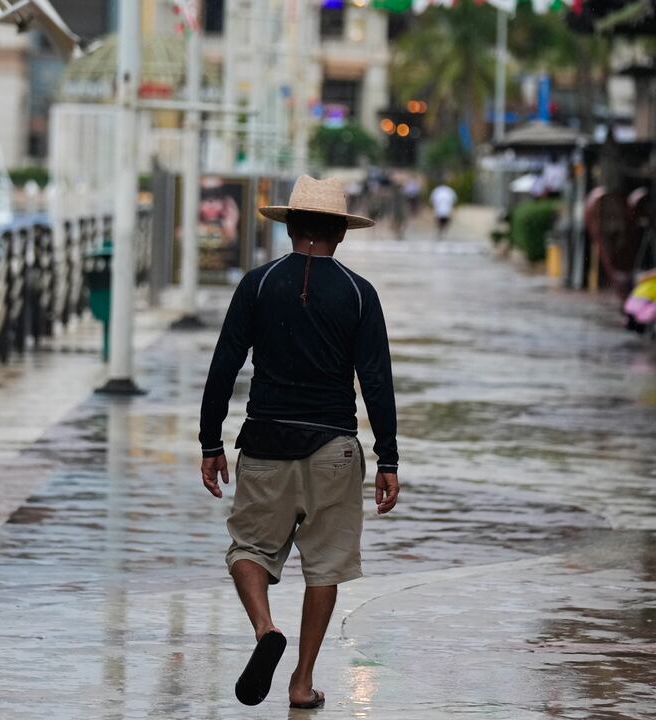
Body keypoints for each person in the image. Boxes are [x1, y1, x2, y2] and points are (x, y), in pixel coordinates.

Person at [199, 175, 401, 710]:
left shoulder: (258, 285)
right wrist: (388, 457)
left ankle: (266, 628)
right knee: (325, 566)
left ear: (290, 227)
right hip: (334, 449)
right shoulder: (360, 294)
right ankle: (301, 682)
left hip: (264, 442)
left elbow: (224, 366)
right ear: (340, 232)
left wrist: (210, 442)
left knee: (247, 550)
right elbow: (376, 381)